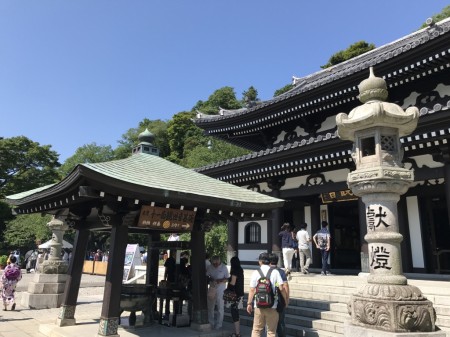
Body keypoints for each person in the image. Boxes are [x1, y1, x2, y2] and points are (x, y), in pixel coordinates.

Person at [246, 252, 286, 337]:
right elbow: (281, 288)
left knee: (256, 330)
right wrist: (285, 300)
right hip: (272, 305)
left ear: (260, 261)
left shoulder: (256, 273)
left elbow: (252, 289)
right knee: (271, 331)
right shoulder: (275, 272)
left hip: (258, 306)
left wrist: (249, 303)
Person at [206, 255, 229, 330]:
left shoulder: (224, 267)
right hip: (212, 288)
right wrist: (211, 279)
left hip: (221, 289)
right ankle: (211, 323)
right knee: (210, 307)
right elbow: (206, 276)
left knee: (220, 307)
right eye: (214, 263)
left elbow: (227, 278)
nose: (215, 265)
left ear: (219, 262)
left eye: (217, 263)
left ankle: (219, 324)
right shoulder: (210, 267)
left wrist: (220, 280)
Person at [269, 253, 290, 337]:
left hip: (268, 300)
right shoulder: (281, 271)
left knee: (269, 323)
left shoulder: (266, 271)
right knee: (281, 321)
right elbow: (285, 286)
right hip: (280, 300)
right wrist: (286, 299)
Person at [226, 256, 244, 337]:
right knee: (236, 312)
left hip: (234, 294)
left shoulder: (234, 271)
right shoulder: (240, 270)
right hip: (240, 293)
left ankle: (237, 333)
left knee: (234, 313)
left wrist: (228, 291)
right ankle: (237, 332)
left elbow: (233, 283)